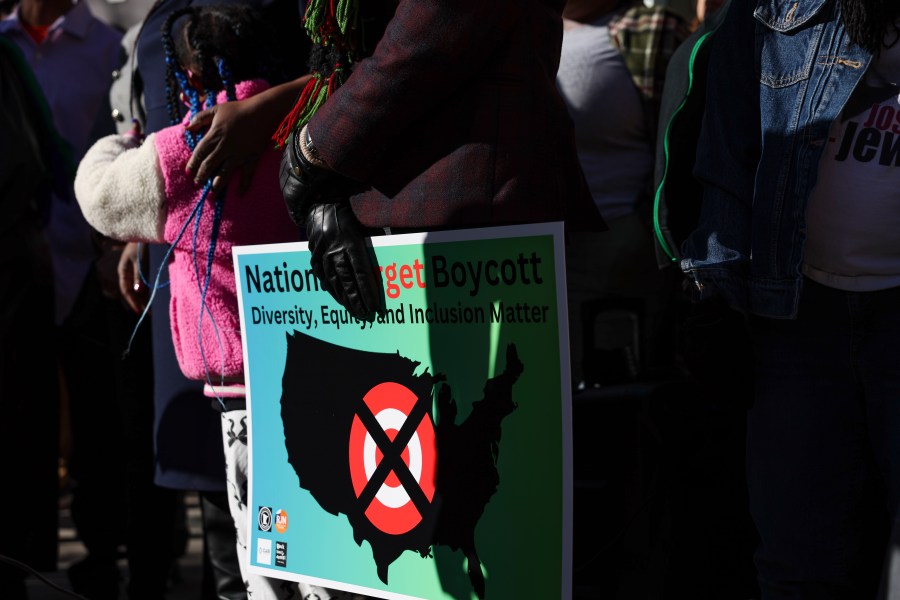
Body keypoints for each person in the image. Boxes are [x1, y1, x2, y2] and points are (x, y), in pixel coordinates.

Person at [74, 6, 357, 599]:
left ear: (191, 76)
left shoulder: (189, 148)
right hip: (329, 373)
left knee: (266, 556)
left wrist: (122, 141)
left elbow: (100, 196)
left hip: (242, 396)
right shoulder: (315, 124)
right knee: (333, 544)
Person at [679, 0, 900, 597]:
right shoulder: (772, 6)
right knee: (798, 559)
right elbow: (726, 156)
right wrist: (716, 297)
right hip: (796, 315)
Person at [0, 33, 65, 600]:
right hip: (18, 256)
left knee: (17, 429)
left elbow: (51, 156)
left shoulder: (5, 58)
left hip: (13, 266)